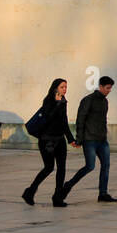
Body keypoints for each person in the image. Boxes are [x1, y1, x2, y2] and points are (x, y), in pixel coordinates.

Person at [23, 78, 79, 208]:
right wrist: (58, 104)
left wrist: (70, 139)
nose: (64, 89)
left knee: (62, 168)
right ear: (55, 88)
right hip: (47, 140)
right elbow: (48, 117)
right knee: (48, 167)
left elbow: (64, 122)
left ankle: (57, 197)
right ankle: (30, 191)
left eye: (65, 87)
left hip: (60, 140)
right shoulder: (48, 100)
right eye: (62, 87)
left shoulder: (63, 101)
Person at [60, 76, 117, 202]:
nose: (109, 91)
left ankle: (103, 193)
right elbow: (80, 120)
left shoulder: (105, 102)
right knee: (90, 166)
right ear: (101, 87)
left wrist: (105, 134)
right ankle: (68, 185)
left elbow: (103, 120)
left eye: (110, 88)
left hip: (102, 140)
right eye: (107, 88)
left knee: (106, 165)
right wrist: (79, 139)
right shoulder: (88, 100)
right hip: (89, 140)